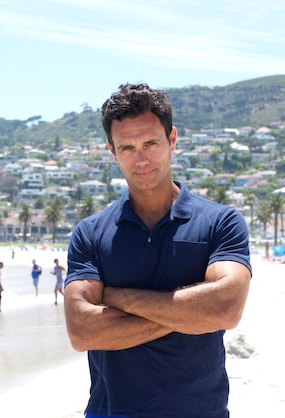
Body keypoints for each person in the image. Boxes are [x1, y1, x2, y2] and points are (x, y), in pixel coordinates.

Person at [63, 83, 252, 418]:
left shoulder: (220, 222)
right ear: (112, 150)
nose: (141, 159)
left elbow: (225, 308)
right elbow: (82, 331)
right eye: (127, 147)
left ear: (172, 140)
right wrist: (192, 313)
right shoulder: (90, 234)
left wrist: (118, 297)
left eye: (150, 143)